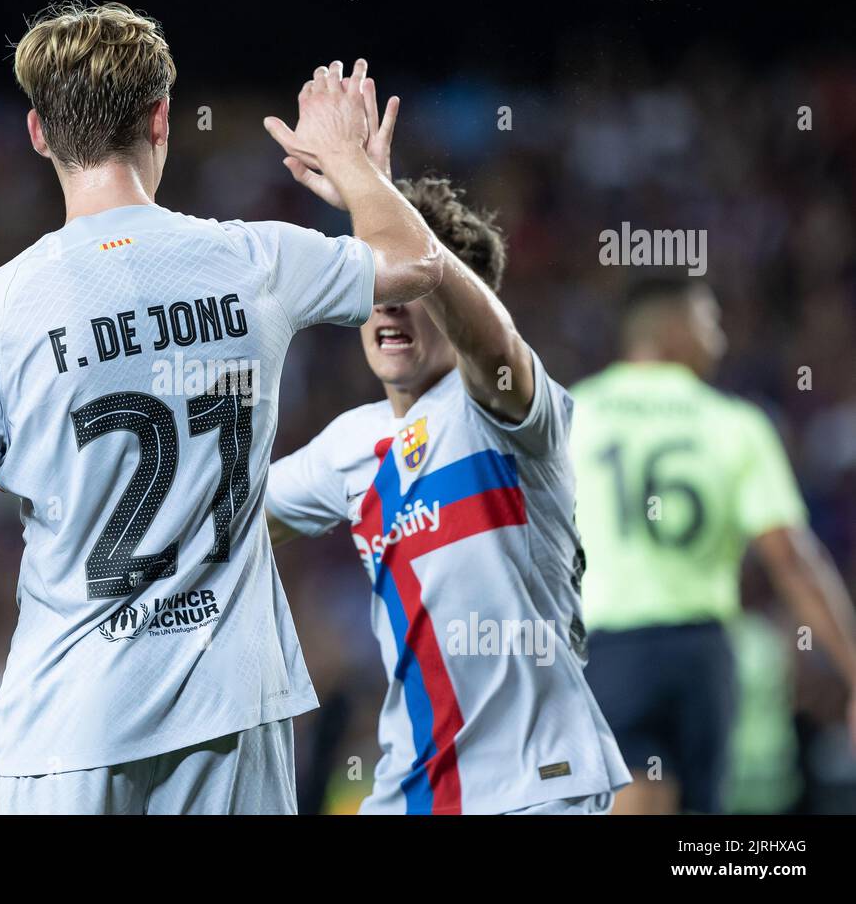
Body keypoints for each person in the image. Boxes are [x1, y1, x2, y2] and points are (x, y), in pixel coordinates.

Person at [0, 2, 452, 814]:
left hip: (71, 729)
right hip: (233, 713)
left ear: (39, 133)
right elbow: (416, 262)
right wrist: (352, 166)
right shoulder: (253, 258)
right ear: (161, 119)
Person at [265, 91, 630, 814]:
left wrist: (362, 181)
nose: (387, 306)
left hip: (538, 789)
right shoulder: (350, 446)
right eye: (377, 288)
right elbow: (226, 519)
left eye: (411, 290)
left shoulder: (511, 413)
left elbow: (489, 340)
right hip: (411, 795)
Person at [572, 277, 856, 813]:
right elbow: (792, 558)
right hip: (700, 654)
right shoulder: (736, 423)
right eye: (711, 323)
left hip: (610, 652)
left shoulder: (570, 414)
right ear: (672, 331)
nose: (721, 340)